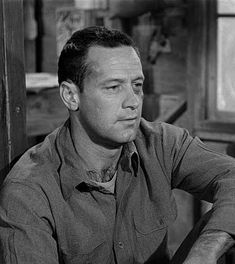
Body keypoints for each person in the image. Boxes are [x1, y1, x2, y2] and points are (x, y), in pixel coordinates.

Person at [0, 26, 235, 264]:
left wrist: (207, 249)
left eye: (137, 86)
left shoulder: (162, 143)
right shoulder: (28, 191)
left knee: (223, 222)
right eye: (113, 87)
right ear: (71, 96)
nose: (133, 101)